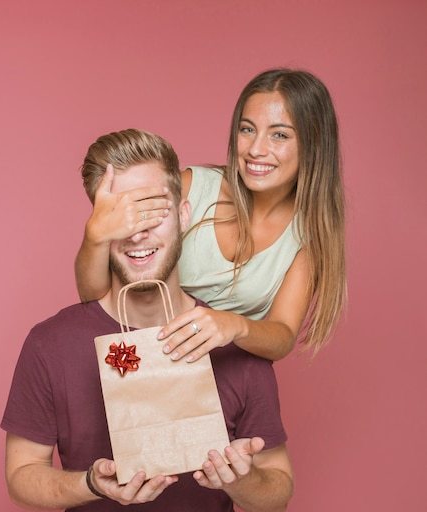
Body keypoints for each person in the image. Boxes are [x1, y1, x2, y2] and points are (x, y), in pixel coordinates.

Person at [2, 129, 293, 512]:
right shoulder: (51, 345)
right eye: (120, 215)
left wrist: (242, 479)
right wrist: (90, 484)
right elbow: (21, 477)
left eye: (152, 211)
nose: (137, 233)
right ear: (97, 227)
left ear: (184, 213)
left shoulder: (233, 340)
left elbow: (277, 496)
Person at [74, 68, 346, 363]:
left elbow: (282, 335)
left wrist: (234, 325)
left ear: (313, 144)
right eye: (247, 129)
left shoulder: (307, 236)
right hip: (139, 362)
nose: (256, 149)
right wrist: (96, 235)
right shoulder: (191, 189)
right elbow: (96, 300)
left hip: (219, 379)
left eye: (279, 135)